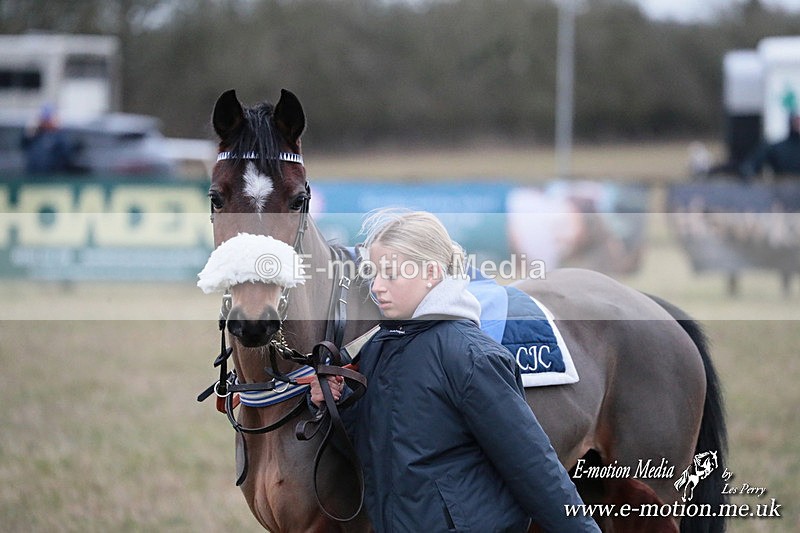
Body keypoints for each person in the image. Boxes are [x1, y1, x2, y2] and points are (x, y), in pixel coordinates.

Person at [310, 209, 599, 532]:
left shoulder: (471, 356)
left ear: (432, 273)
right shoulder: (380, 347)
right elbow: (376, 446)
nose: (377, 287)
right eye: (374, 274)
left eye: (390, 274)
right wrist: (335, 403)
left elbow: (533, 466)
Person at [20, 104, 80, 175]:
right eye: (45, 119)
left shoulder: (59, 135)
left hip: (52, 176)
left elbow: (67, 154)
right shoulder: (35, 134)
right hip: (33, 175)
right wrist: (30, 131)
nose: (46, 121)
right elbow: (23, 145)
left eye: (48, 119)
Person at [739, 112, 800, 179]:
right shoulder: (777, 148)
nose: (798, 124)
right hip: (781, 186)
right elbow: (750, 165)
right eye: (797, 120)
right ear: (791, 122)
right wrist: (748, 172)